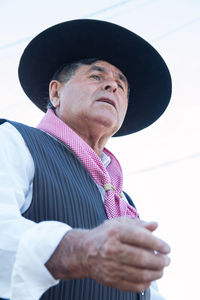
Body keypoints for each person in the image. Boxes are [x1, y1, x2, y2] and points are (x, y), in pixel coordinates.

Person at [0, 19, 172, 300]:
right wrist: (79, 250)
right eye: (96, 76)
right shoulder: (14, 141)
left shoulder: (125, 204)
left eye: (121, 85)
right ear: (56, 92)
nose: (112, 87)